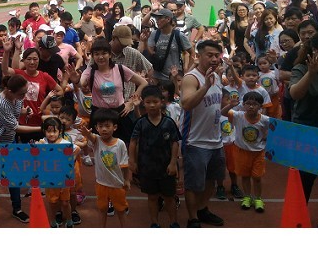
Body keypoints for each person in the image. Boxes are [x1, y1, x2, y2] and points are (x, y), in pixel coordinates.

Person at [0, 74, 41, 224]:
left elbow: (15, 113)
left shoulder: (16, 97)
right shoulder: (0, 102)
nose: (24, 96)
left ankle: (17, 209)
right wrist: (41, 128)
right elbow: (16, 127)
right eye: (22, 93)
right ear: (9, 91)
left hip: (9, 141)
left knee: (14, 177)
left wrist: (24, 111)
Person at [179, 40, 225, 228]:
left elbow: (215, 106)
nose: (214, 59)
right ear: (198, 56)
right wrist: (205, 86)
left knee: (211, 179)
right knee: (193, 184)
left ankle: (202, 209)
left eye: (217, 55)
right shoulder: (192, 78)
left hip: (216, 140)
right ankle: (193, 218)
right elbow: (186, 104)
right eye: (209, 55)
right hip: (195, 141)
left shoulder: (217, 76)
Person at [129, 85, 181, 228]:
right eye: (148, 102)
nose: (152, 105)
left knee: (169, 197)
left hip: (166, 167)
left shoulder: (168, 122)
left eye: (155, 102)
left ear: (161, 102)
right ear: (143, 103)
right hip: (147, 167)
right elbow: (133, 142)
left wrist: (173, 163)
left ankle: (173, 222)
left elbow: (175, 143)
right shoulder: (141, 123)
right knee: (152, 197)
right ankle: (154, 223)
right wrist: (132, 160)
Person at [79, 37, 147, 144]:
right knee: (98, 146)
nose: (100, 57)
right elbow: (81, 83)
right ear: (92, 56)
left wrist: (130, 103)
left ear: (110, 54)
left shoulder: (120, 69)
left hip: (120, 114)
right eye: (96, 54)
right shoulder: (90, 71)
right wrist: (76, 80)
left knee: (123, 145)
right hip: (99, 115)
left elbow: (143, 82)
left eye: (104, 53)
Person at [2, 37, 63, 143]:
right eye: (29, 59)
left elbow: (60, 91)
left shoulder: (44, 76)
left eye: (35, 59)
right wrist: (6, 52)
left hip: (39, 122)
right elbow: (5, 70)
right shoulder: (19, 74)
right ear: (24, 61)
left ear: (39, 60)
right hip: (20, 122)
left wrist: (48, 103)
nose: (32, 62)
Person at [289, 31, 318, 203]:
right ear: (316, 50)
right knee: (305, 178)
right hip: (307, 130)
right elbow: (295, 94)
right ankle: (298, 214)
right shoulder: (301, 68)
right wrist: (311, 73)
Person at [78, 108, 130, 227]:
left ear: (114, 127)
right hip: (101, 183)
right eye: (100, 126)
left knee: (121, 210)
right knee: (102, 210)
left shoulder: (120, 144)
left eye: (107, 126)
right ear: (96, 128)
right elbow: (92, 137)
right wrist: (87, 134)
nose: (104, 129)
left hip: (117, 184)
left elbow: (125, 165)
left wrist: (126, 180)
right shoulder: (97, 141)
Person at [221, 91, 270, 212]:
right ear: (243, 105)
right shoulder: (238, 116)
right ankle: (247, 197)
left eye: (255, 104)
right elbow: (223, 112)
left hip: (258, 152)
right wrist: (231, 105)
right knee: (245, 176)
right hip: (241, 151)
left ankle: (258, 199)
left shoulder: (265, 120)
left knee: (257, 177)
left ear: (260, 106)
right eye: (248, 103)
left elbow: (273, 132)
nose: (251, 106)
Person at [37, 116, 79, 228]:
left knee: (65, 202)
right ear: (44, 131)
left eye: (54, 131)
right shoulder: (43, 143)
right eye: (48, 131)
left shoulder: (65, 143)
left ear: (60, 131)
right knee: (52, 202)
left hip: (64, 179)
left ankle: (69, 220)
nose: (51, 134)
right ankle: (52, 221)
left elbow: (77, 149)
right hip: (50, 179)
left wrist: (71, 160)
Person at [147, 9, 194, 84]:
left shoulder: (179, 35)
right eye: (156, 19)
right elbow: (150, 49)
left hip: (174, 76)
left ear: (168, 19)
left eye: (159, 18)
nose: (157, 21)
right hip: (157, 77)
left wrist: (188, 70)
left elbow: (191, 52)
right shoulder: (154, 34)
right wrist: (153, 54)